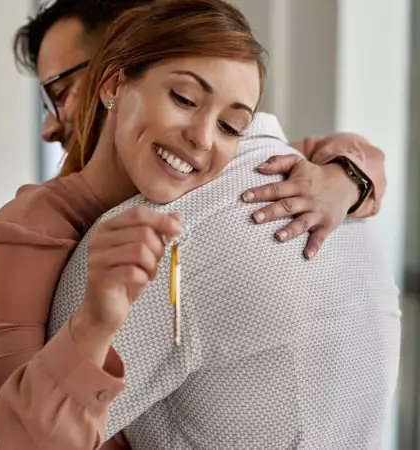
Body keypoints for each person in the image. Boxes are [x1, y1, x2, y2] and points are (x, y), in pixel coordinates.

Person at [47, 21, 399, 449]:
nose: (201, 138)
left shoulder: (161, 232)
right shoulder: (336, 192)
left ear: (111, 79)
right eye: (185, 100)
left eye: (231, 125)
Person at [15, 0, 385, 256]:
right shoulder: (36, 222)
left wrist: (344, 180)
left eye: (60, 94)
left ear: (118, 68)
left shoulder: (232, 158)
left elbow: (358, 155)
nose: (49, 127)